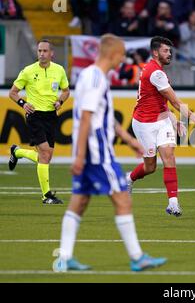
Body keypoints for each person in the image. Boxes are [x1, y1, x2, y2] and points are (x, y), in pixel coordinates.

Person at [54, 34, 167, 272]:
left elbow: (100, 116)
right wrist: (80, 156)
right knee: (122, 199)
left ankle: (64, 258)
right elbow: (86, 117)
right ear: (112, 54)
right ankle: (137, 257)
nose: (123, 58)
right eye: (122, 53)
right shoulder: (96, 79)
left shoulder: (89, 75)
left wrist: (128, 140)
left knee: (79, 201)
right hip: (97, 152)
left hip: (90, 150)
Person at [126, 36, 195, 216]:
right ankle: (129, 178)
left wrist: (171, 117)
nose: (169, 54)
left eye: (170, 51)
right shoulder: (155, 72)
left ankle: (173, 204)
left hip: (161, 120)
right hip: (144, 123)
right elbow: (174, 101)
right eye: (166, 51)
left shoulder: (157, 70)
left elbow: (160, 99)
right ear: (155, 52)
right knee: (150, 167)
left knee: (169, 157)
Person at [8, 39, 70, 204]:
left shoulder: (59, 70)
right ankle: (46, 196)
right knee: (44, 154)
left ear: (51, 53)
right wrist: (23, 103)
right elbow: (13, 92)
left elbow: (66, 91)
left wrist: (60, 102)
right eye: (39, 51)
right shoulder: (28, 71)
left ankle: (17, 152)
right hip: (34, 115)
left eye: (44, 51)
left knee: (46, 157)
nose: (41, 54)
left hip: (51, 116)